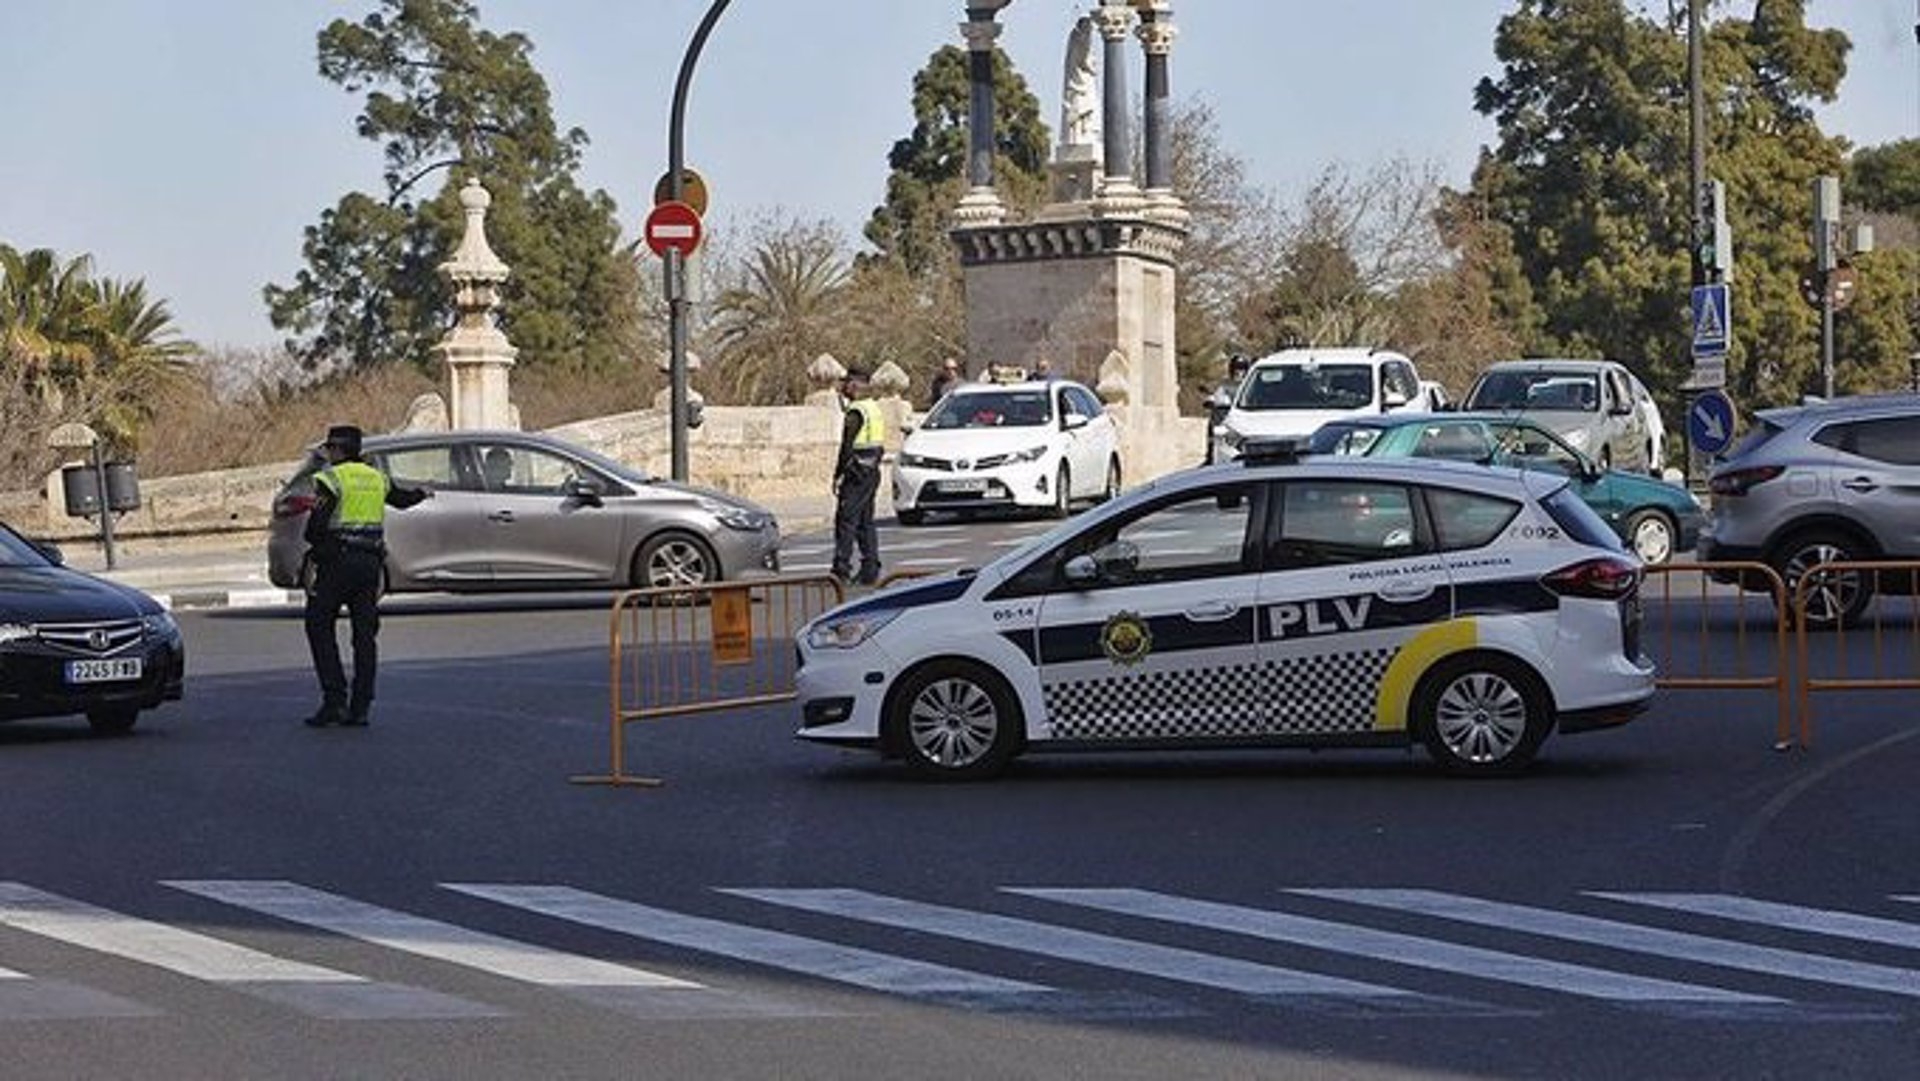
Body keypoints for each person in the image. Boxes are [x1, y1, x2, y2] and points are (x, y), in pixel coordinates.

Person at [302, 424, 431, 728]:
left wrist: (317, 551)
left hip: (336, 564)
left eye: (330, 449)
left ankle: (334, 701)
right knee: (364, 637)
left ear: (336, 450)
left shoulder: (331, 479)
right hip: (369, 566)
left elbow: (314, 530)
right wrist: (423, 492)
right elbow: (401, 498)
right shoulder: (377, 478)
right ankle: (361, 706)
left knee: (318, 625)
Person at [831, 368, 885, 586]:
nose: (842, 387)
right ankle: (870, 567)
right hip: (872, 470)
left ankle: (840, 568)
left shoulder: (856, 411)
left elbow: (847, 446)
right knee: (865, 521)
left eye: (846, 383)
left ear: (854, 385)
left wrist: (837, 474)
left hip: (856, 471)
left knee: (846, 520)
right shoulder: (873, 407)